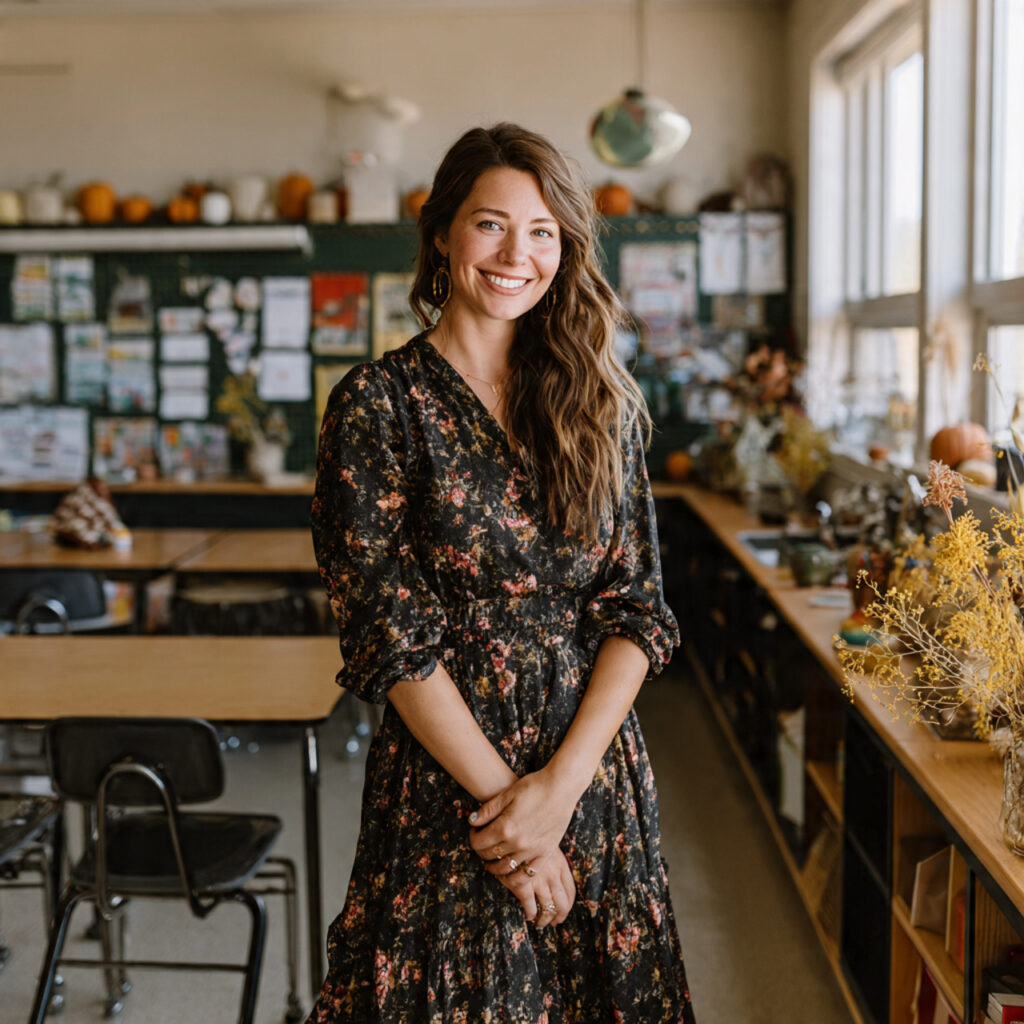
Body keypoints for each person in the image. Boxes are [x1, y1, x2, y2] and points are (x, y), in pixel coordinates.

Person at [307, 123, 696, 1023]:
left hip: (592, 776)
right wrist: (513, 822)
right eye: (491, 224)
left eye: (544, 232)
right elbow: (391, 640)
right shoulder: (377, 406)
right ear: (442, 232)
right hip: (451, 791)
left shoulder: (599, 400)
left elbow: (638, 612)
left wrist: (557, 794)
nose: (517, 254)